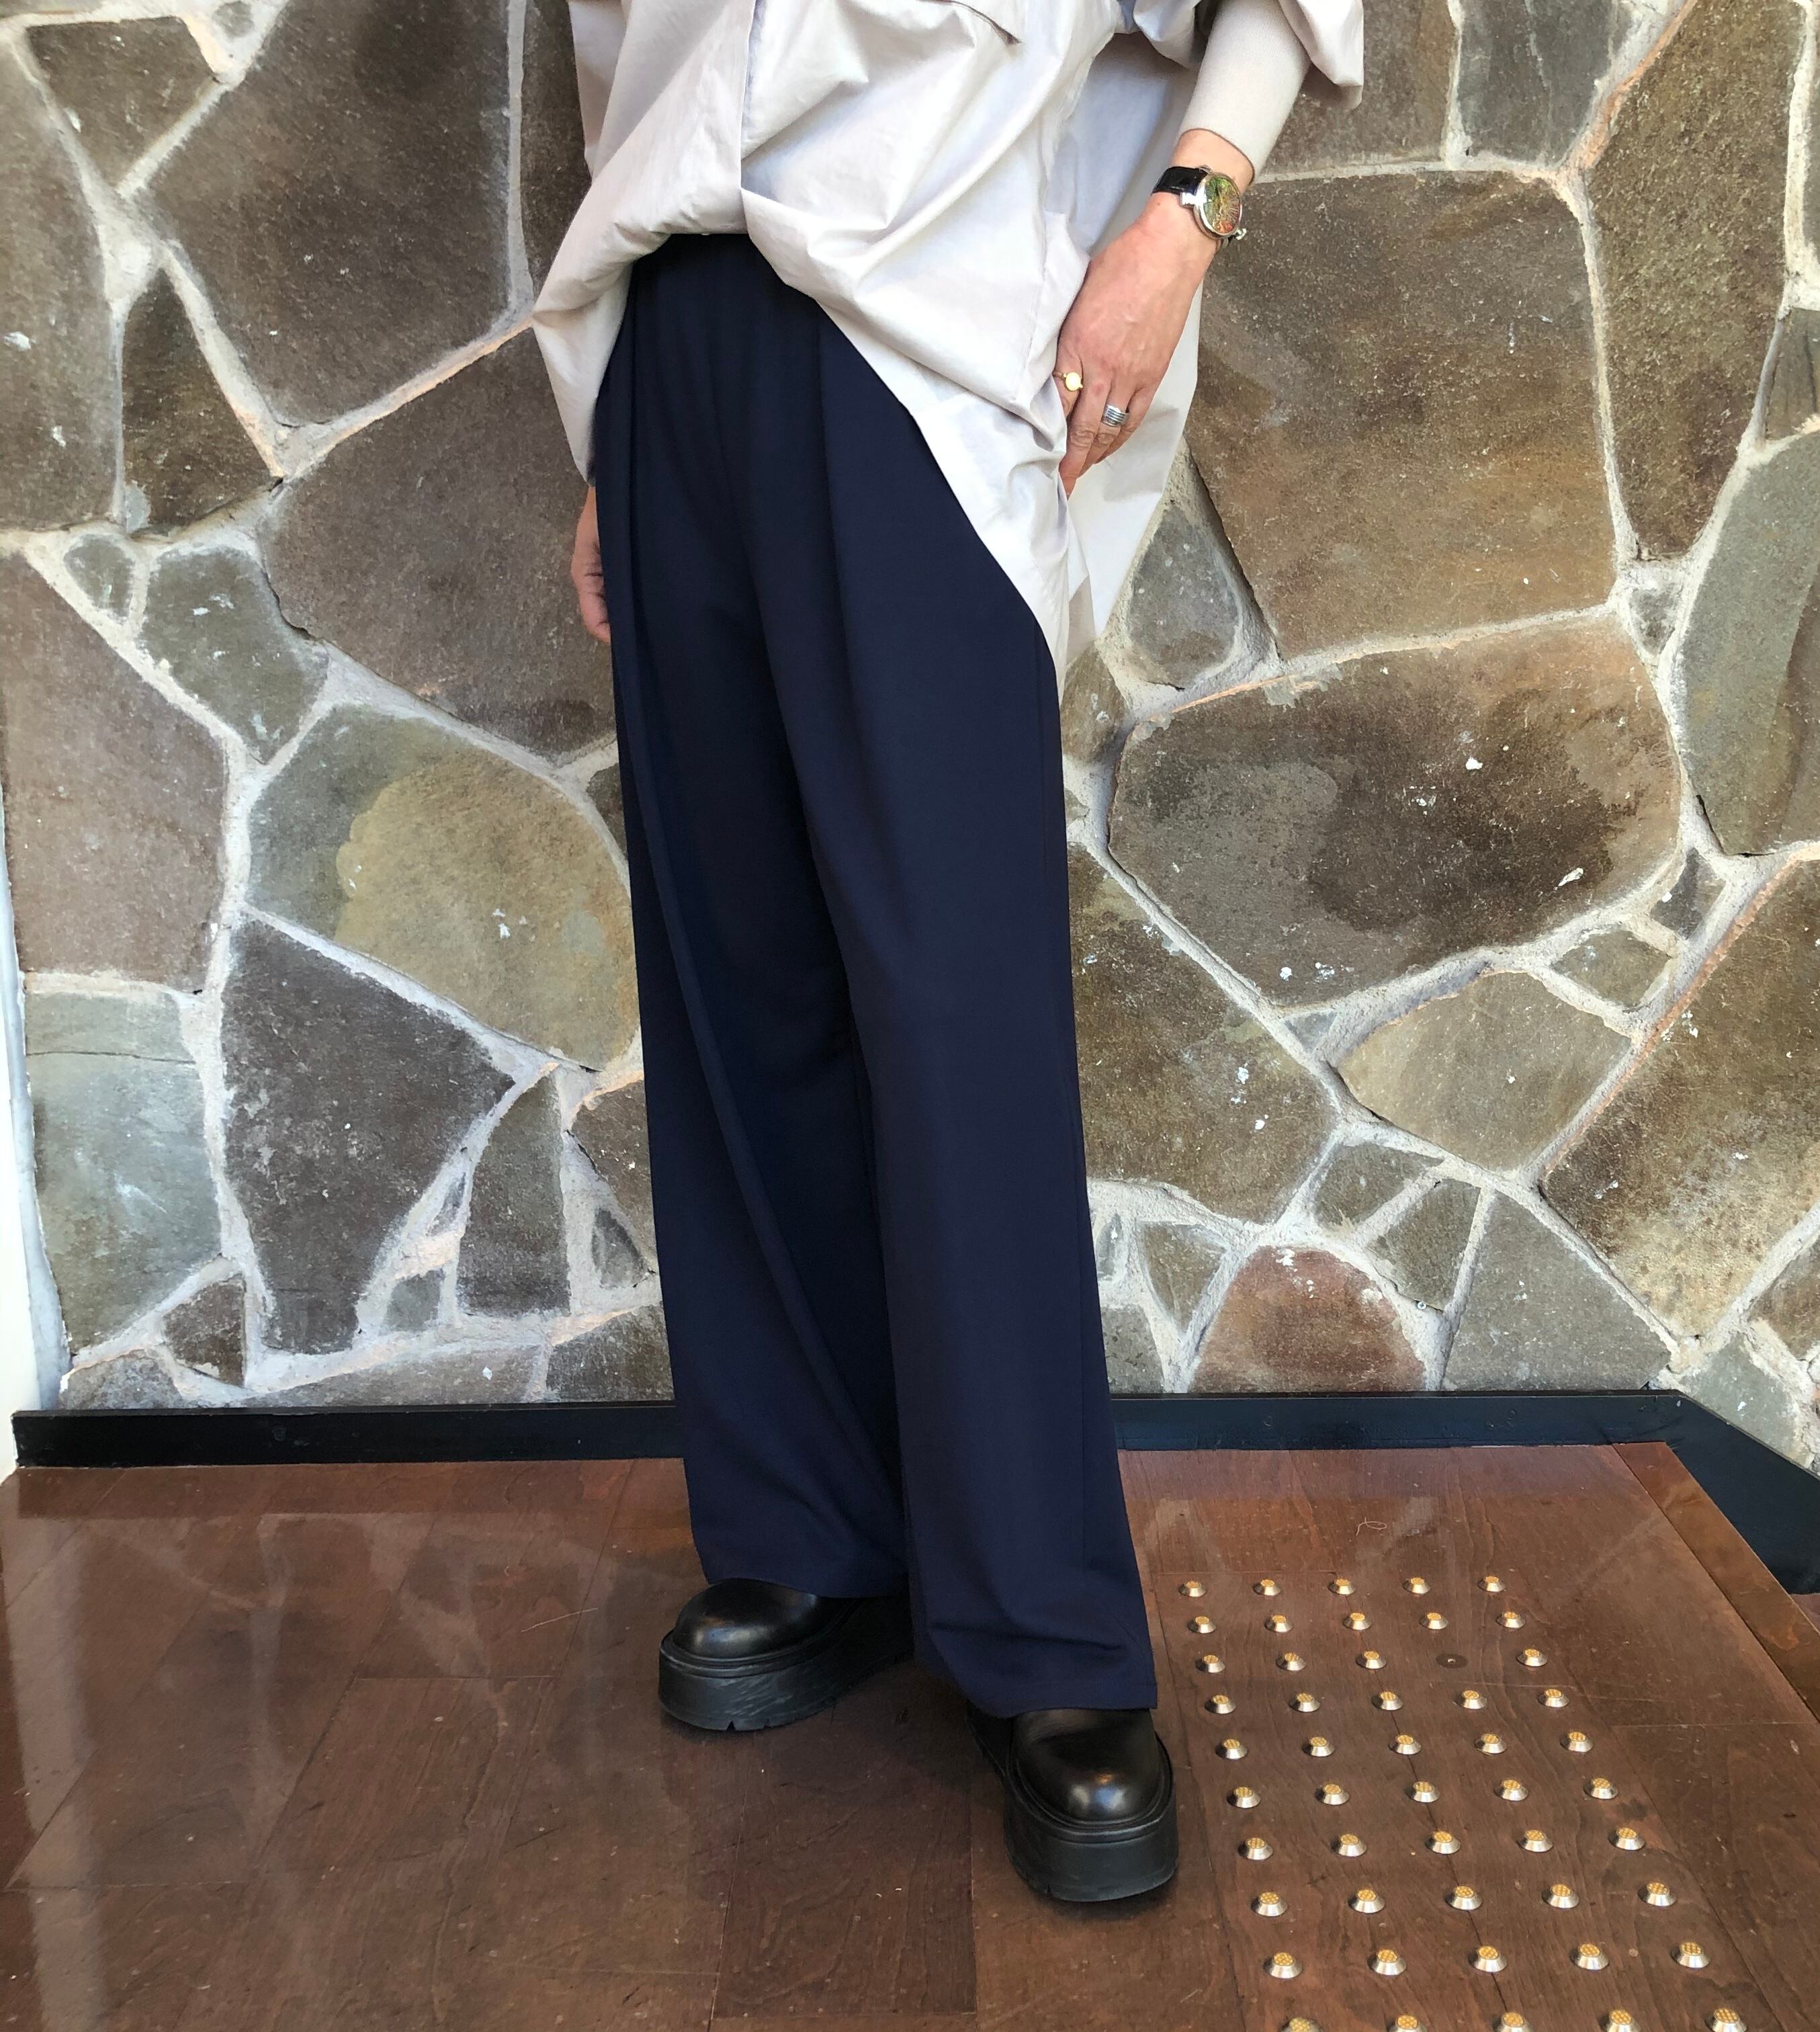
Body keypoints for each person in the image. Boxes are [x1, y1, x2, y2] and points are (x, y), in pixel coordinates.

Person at [535, 0, 1362, 1902]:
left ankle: (1045, 1632)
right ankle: (813, 1540)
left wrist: (1179, 226)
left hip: (918, 339)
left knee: (957, 1011)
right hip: (672, 344)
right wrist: (613, 426)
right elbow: (621, 76)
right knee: (737, 991)